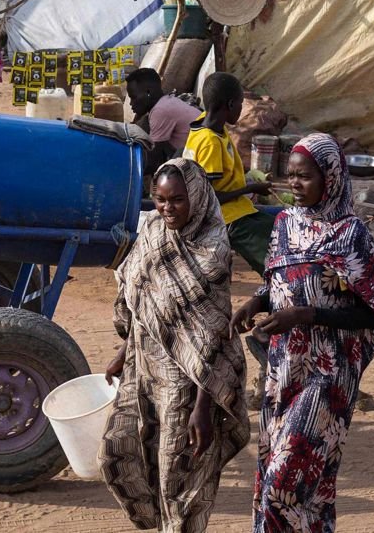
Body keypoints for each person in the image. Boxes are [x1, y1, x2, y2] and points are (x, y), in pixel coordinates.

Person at [234, 133, 374, 533]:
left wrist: (306, 315)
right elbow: (279, 280)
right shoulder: (284, 224)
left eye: (305, 177)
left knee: (282, 485)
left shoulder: (352, 234)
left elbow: (372, 313)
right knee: (308, 490)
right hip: (283, 369)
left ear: (330, 177)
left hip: (328, 375)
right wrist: (257, 302)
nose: (295, 185)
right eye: (290, 176)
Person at [100, 159, 249, 533]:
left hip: (188, 383)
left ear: (196, 198)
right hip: (145, 368)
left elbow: (213, 334)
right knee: (117, 452)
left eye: (177, 200)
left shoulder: (212, 250)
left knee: (179, 477)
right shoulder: (151, 230)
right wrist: (123, 354)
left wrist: (203, 407)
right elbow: (138, 296)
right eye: (160, 199)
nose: (168, 208)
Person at [183, 72, 272, 273]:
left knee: (279, 225)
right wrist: (250, 188)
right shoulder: (210, 143)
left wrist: (250, 178)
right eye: (241, 104)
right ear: (230, 105)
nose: (242, 110)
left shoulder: (207, 123)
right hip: (226, 217)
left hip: (238, 209)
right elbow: (209, 198)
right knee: (273, 251)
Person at [126, 68, 201, 172]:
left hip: (199, 165)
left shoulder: (160, 111)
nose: (131, 103)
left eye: (133, 97)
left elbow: (153, 160)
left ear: (148, 92)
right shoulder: (166, 102)